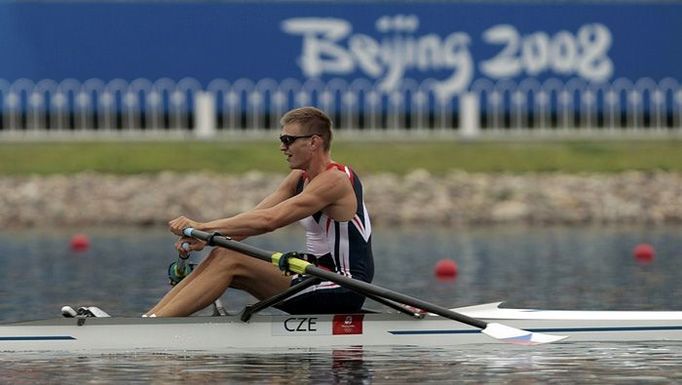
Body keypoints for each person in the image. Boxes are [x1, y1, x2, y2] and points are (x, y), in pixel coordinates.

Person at [146, 106, 374, 317]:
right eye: (282, 140)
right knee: (222, 254)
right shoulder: (299, 178)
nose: (282, 147)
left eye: (288, 140)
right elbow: (254, 217)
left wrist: (203, 227)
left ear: (314, 142)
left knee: (230, 259)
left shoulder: (335, 180)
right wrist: (209, 241)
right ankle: (150, 319)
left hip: (343, 286)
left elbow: (269, 220)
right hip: (314, 277)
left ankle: (151, 328)